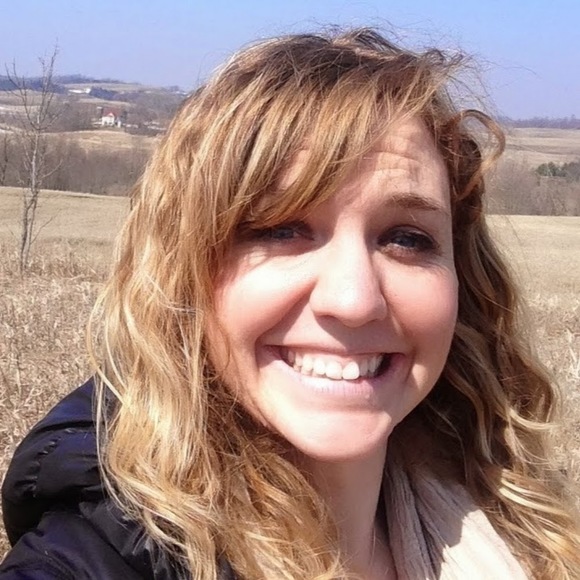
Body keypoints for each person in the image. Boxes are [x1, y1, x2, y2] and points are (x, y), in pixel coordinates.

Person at [1, 27, 579, 580]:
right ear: (183, 275)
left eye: (406, 238)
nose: (354, 300)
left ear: (463, 282)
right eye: (281, 229)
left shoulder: (518, 532)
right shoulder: (95, 559)